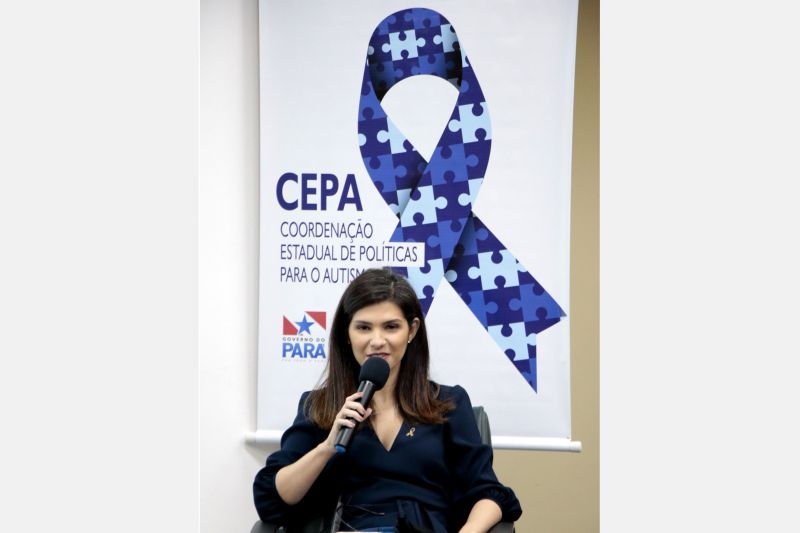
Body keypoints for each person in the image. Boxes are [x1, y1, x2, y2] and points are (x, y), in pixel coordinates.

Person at [253, 268, 522, 532]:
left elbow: (489, 494)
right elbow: (272, 499)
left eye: (391, 327)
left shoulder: (447, 403)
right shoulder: (320, 406)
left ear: (412, 330)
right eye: (364, 328)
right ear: (347, 333)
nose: (377, 341)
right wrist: (327, 446)